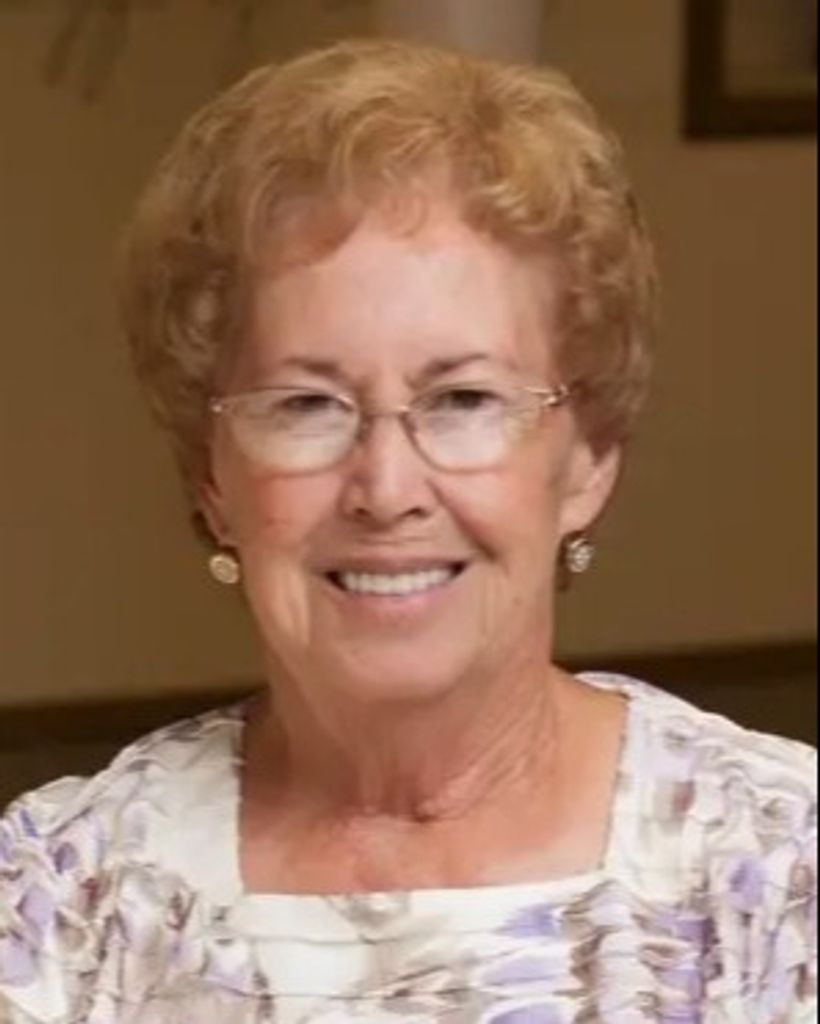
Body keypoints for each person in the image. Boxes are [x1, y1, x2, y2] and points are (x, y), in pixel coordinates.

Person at [0, 38, 815, 1023]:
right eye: (306, 404)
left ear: (588, 459)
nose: (385, 489)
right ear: (212, 478)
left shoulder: (780, 873)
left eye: (463, 399)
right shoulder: (61, 902)